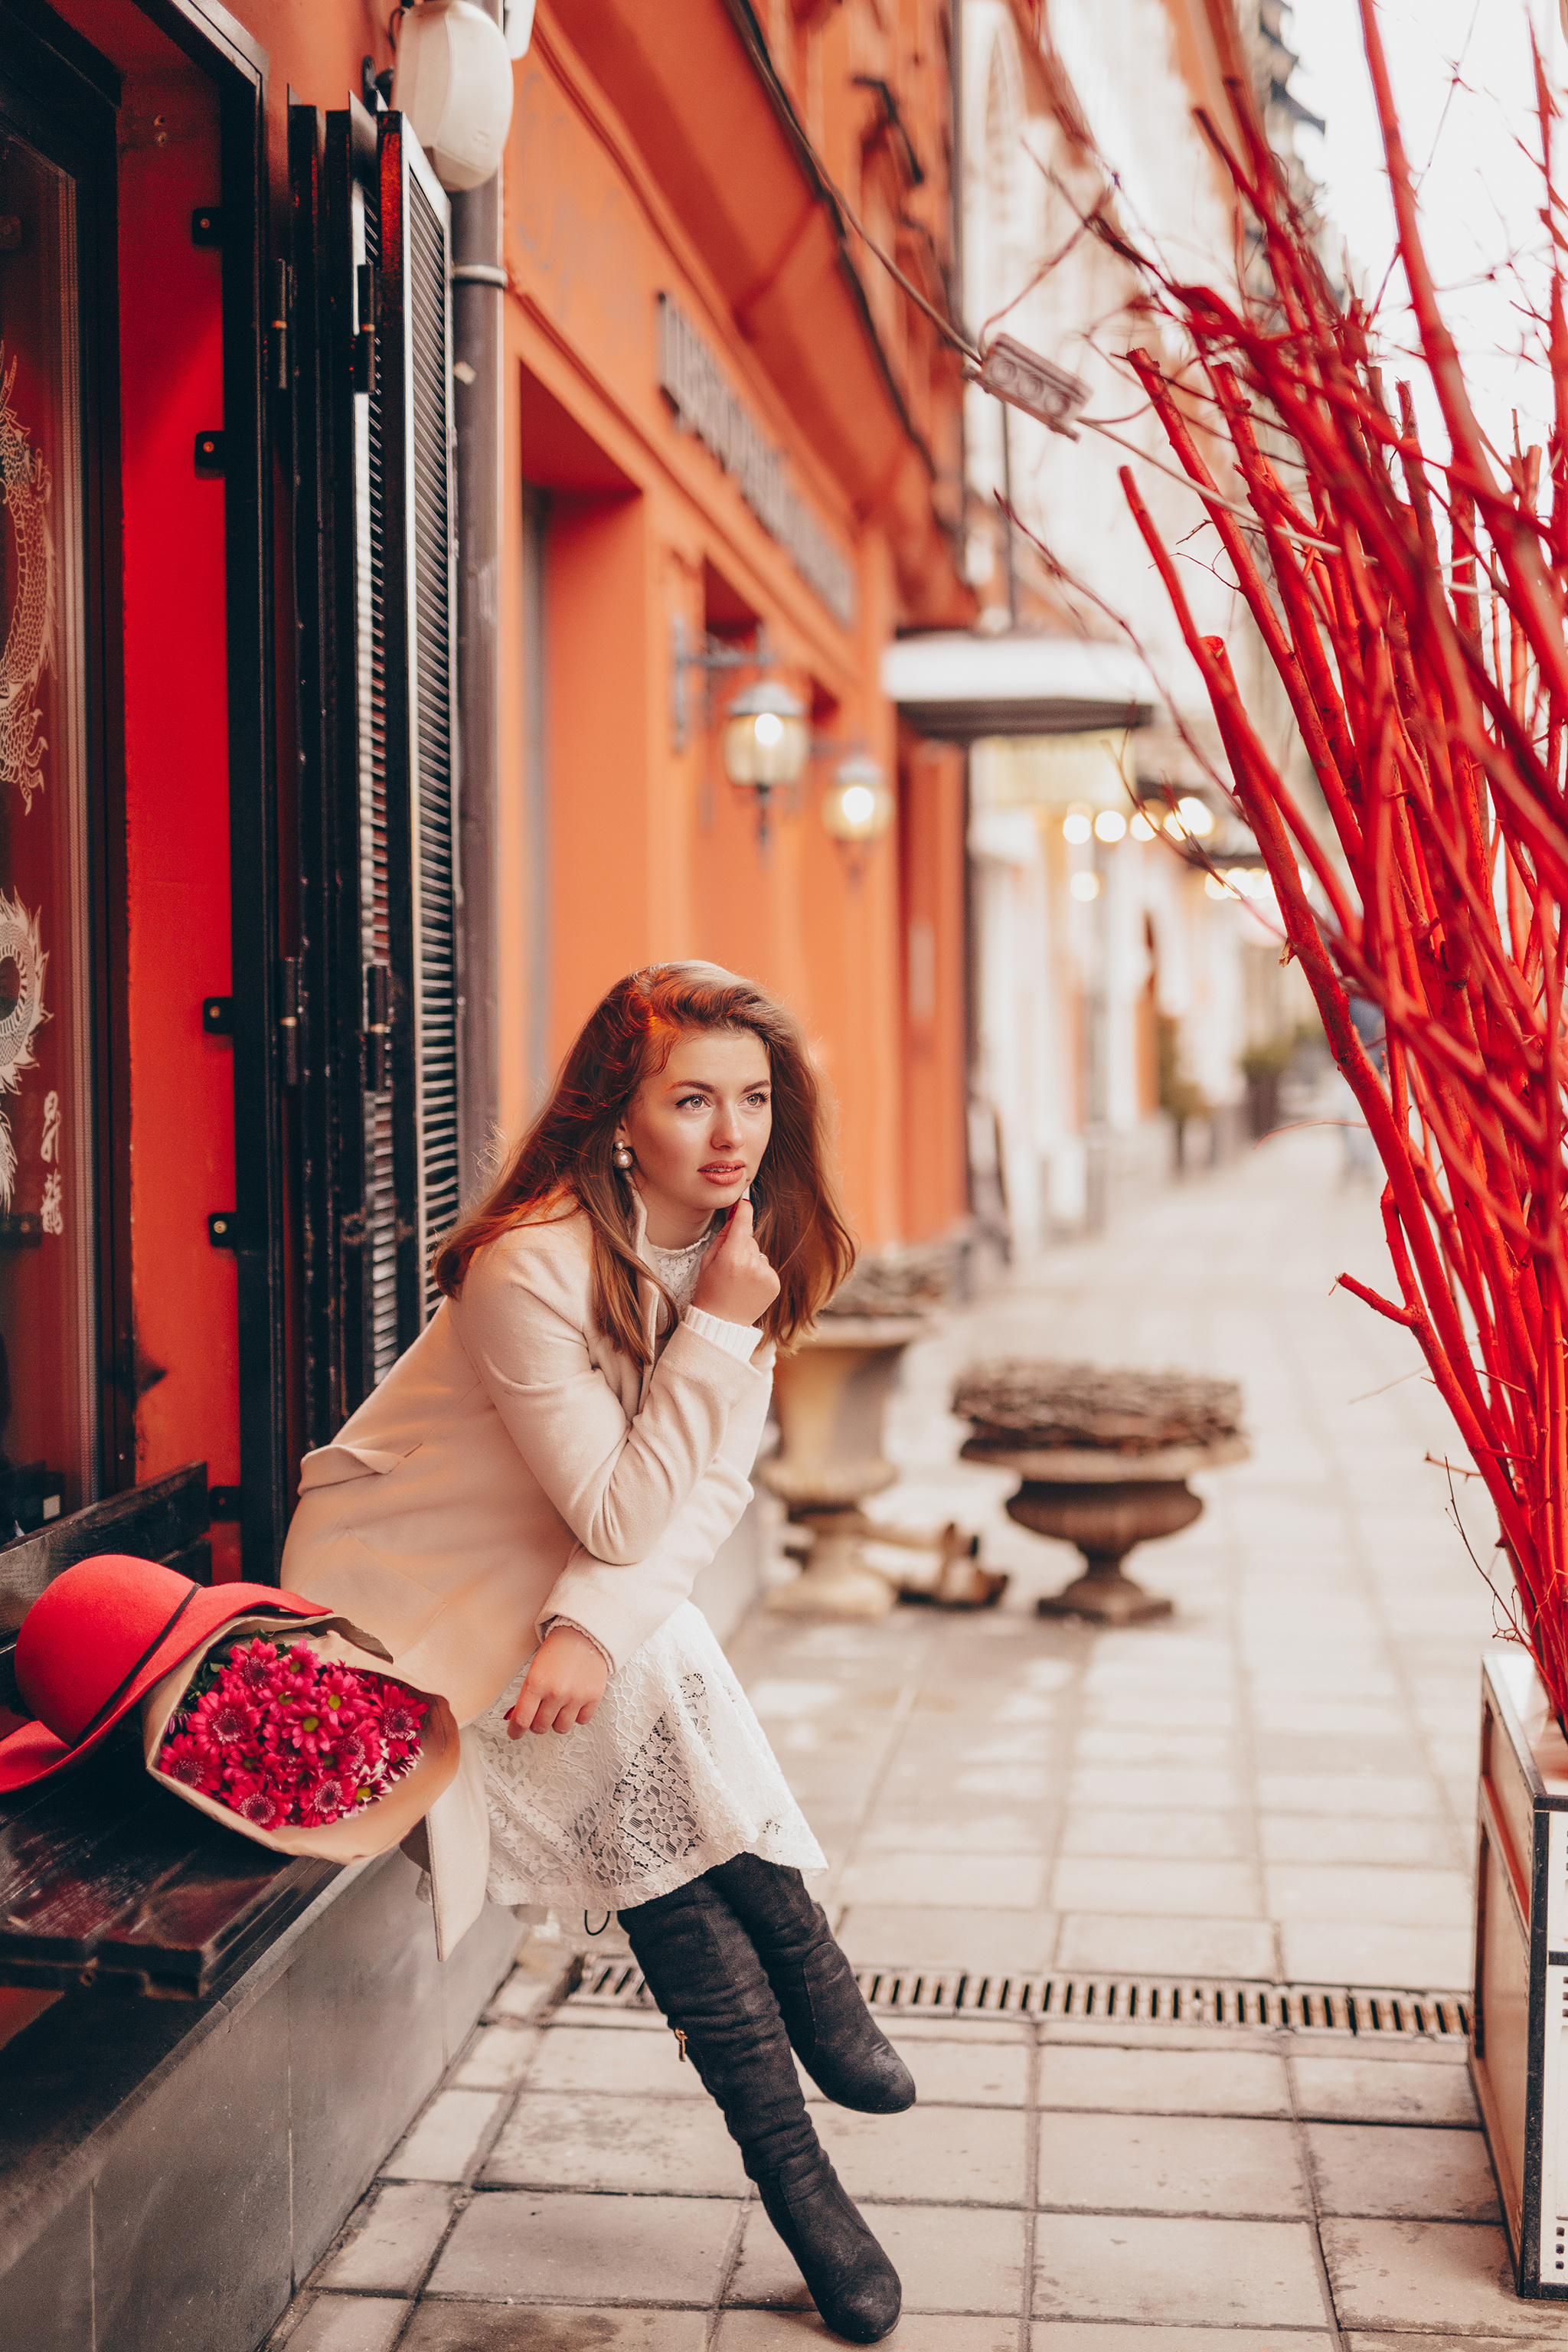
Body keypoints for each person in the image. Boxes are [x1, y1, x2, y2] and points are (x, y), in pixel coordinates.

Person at [280, 962, 911, 2346]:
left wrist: (586, 1623)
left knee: (645, 1659)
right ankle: (803, 2107)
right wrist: (724, 1336)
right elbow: (628, 1508)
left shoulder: (740, 1249)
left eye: (753, 1098)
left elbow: (710, 1501)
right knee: (647, 1744)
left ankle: (805, 2053)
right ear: (621, 1118)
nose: (730, 1132)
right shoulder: (533, 1266)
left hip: (558, 1574)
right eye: (692, 1099)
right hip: (414, 1586)